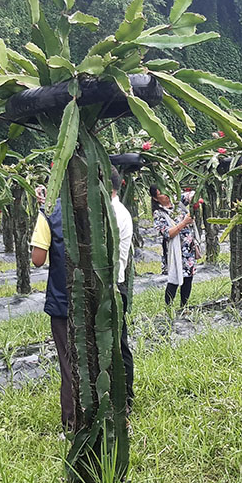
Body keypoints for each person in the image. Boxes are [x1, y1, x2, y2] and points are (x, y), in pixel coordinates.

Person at [29, 186, 76, 431]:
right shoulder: (98, 206)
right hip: (93, 299)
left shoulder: (49, 212)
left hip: (62, 300)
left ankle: (72, 423)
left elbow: (37, 260)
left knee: (68, 363)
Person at [109, 168, 135, 408]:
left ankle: (125, 395)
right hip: (114, 283)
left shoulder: (112, 212)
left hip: (113, 285)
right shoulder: (116, 210)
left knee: (117, 344)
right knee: (117, 341)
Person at [150, 185, 197, 307]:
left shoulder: (178, 203)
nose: (166, 195)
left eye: (166, 192)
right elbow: (167, 233)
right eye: (161, 194)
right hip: (173, 251)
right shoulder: (158, 213)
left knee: (188, 277)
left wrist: (194, 198)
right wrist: (184, 222)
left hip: (188, 249)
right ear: (155, 198)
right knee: (174, 278)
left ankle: (184, 306)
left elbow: (192, 195)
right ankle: (168, 307)